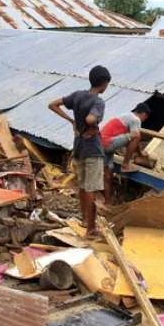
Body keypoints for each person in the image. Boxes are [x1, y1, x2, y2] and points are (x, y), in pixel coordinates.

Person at [48, 65, 111, 238]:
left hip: (79, 147)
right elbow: (91, 118)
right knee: (91, 188)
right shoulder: (98, 102)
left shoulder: (77, 96)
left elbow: (52, 104)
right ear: (104, 83)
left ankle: (85, 220)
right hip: (92, 149)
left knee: (83, 186)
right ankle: (91, 229)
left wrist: (71, 121)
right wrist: (93, 125)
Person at [100, 102, 152, 203]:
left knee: (108, 175)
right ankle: (125, 164)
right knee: (137, 136)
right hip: (108, 143)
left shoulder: (125, 116)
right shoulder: (135, 119)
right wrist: (141, 153)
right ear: (144, 114)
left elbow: (123, 139)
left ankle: (108, 202)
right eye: (145, 118)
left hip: (102, 145)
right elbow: (135, 136)